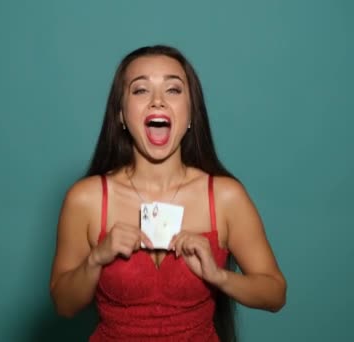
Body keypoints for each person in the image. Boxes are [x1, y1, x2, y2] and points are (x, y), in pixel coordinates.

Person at [49, 45, 286, 341]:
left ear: (190, 114)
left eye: (173, 90)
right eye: (140, 91)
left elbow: (275, 294)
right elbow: (64, 304)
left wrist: (219, 276)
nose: (157, 101)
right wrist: (96, 259)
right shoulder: (86, 199)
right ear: (121, 115)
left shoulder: (226, 197)